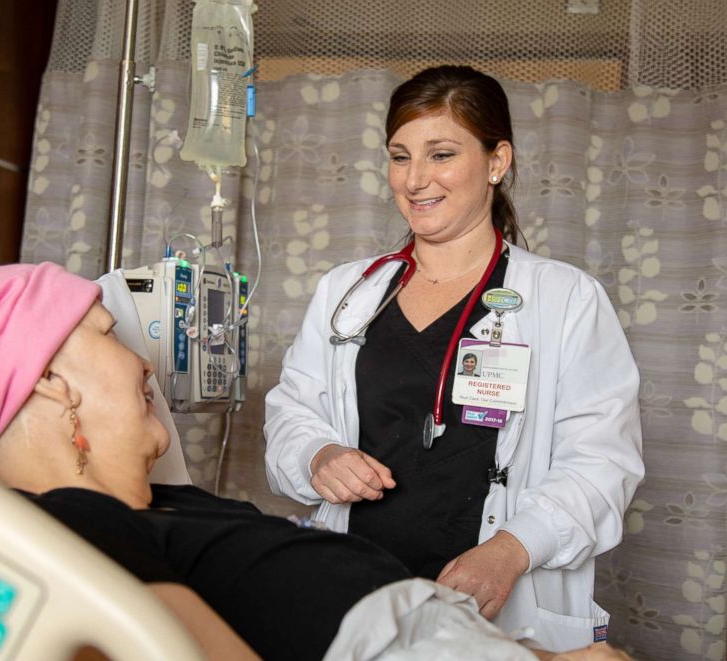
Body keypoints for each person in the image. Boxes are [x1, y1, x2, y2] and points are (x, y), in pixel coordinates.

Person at [0, 263, 633, 661]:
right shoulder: (68, 525)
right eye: (112, 334)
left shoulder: (160, 506)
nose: (142, 359)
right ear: (50, 381)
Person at [264, 65, 644, 652]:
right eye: (399, 156)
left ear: (497, 162)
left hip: (491, 598)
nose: (415, 180)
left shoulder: (564, 298)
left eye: (441, 154)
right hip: (357, 589)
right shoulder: (348, 291)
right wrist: (319, 454)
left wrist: (511, 549)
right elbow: (291, 412)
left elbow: (602, 463)